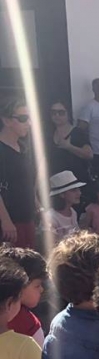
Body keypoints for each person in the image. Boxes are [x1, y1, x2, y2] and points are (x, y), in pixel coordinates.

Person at [0, 97, 37, 249]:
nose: (28, 123)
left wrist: (38, 206)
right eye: (23, 118)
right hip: (10, 221)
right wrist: (5, 221)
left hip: (27, 217)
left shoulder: (23, 147)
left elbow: (27, 181)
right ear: (6, 120)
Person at [48, 100, 92, 185]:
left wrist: (69, 147)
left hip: (77, 182)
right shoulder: (49, 134)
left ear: (68, 114)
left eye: (61, 112)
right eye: (53, 112)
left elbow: (89, 154)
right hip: (57, 183)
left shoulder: (77, 132)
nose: (57, 115)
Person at [43, 171, 85, 244]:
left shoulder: (73, 212)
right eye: (73, 190)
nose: (79, 193)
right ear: (62, 194)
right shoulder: (50, 217)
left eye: (78, 189)